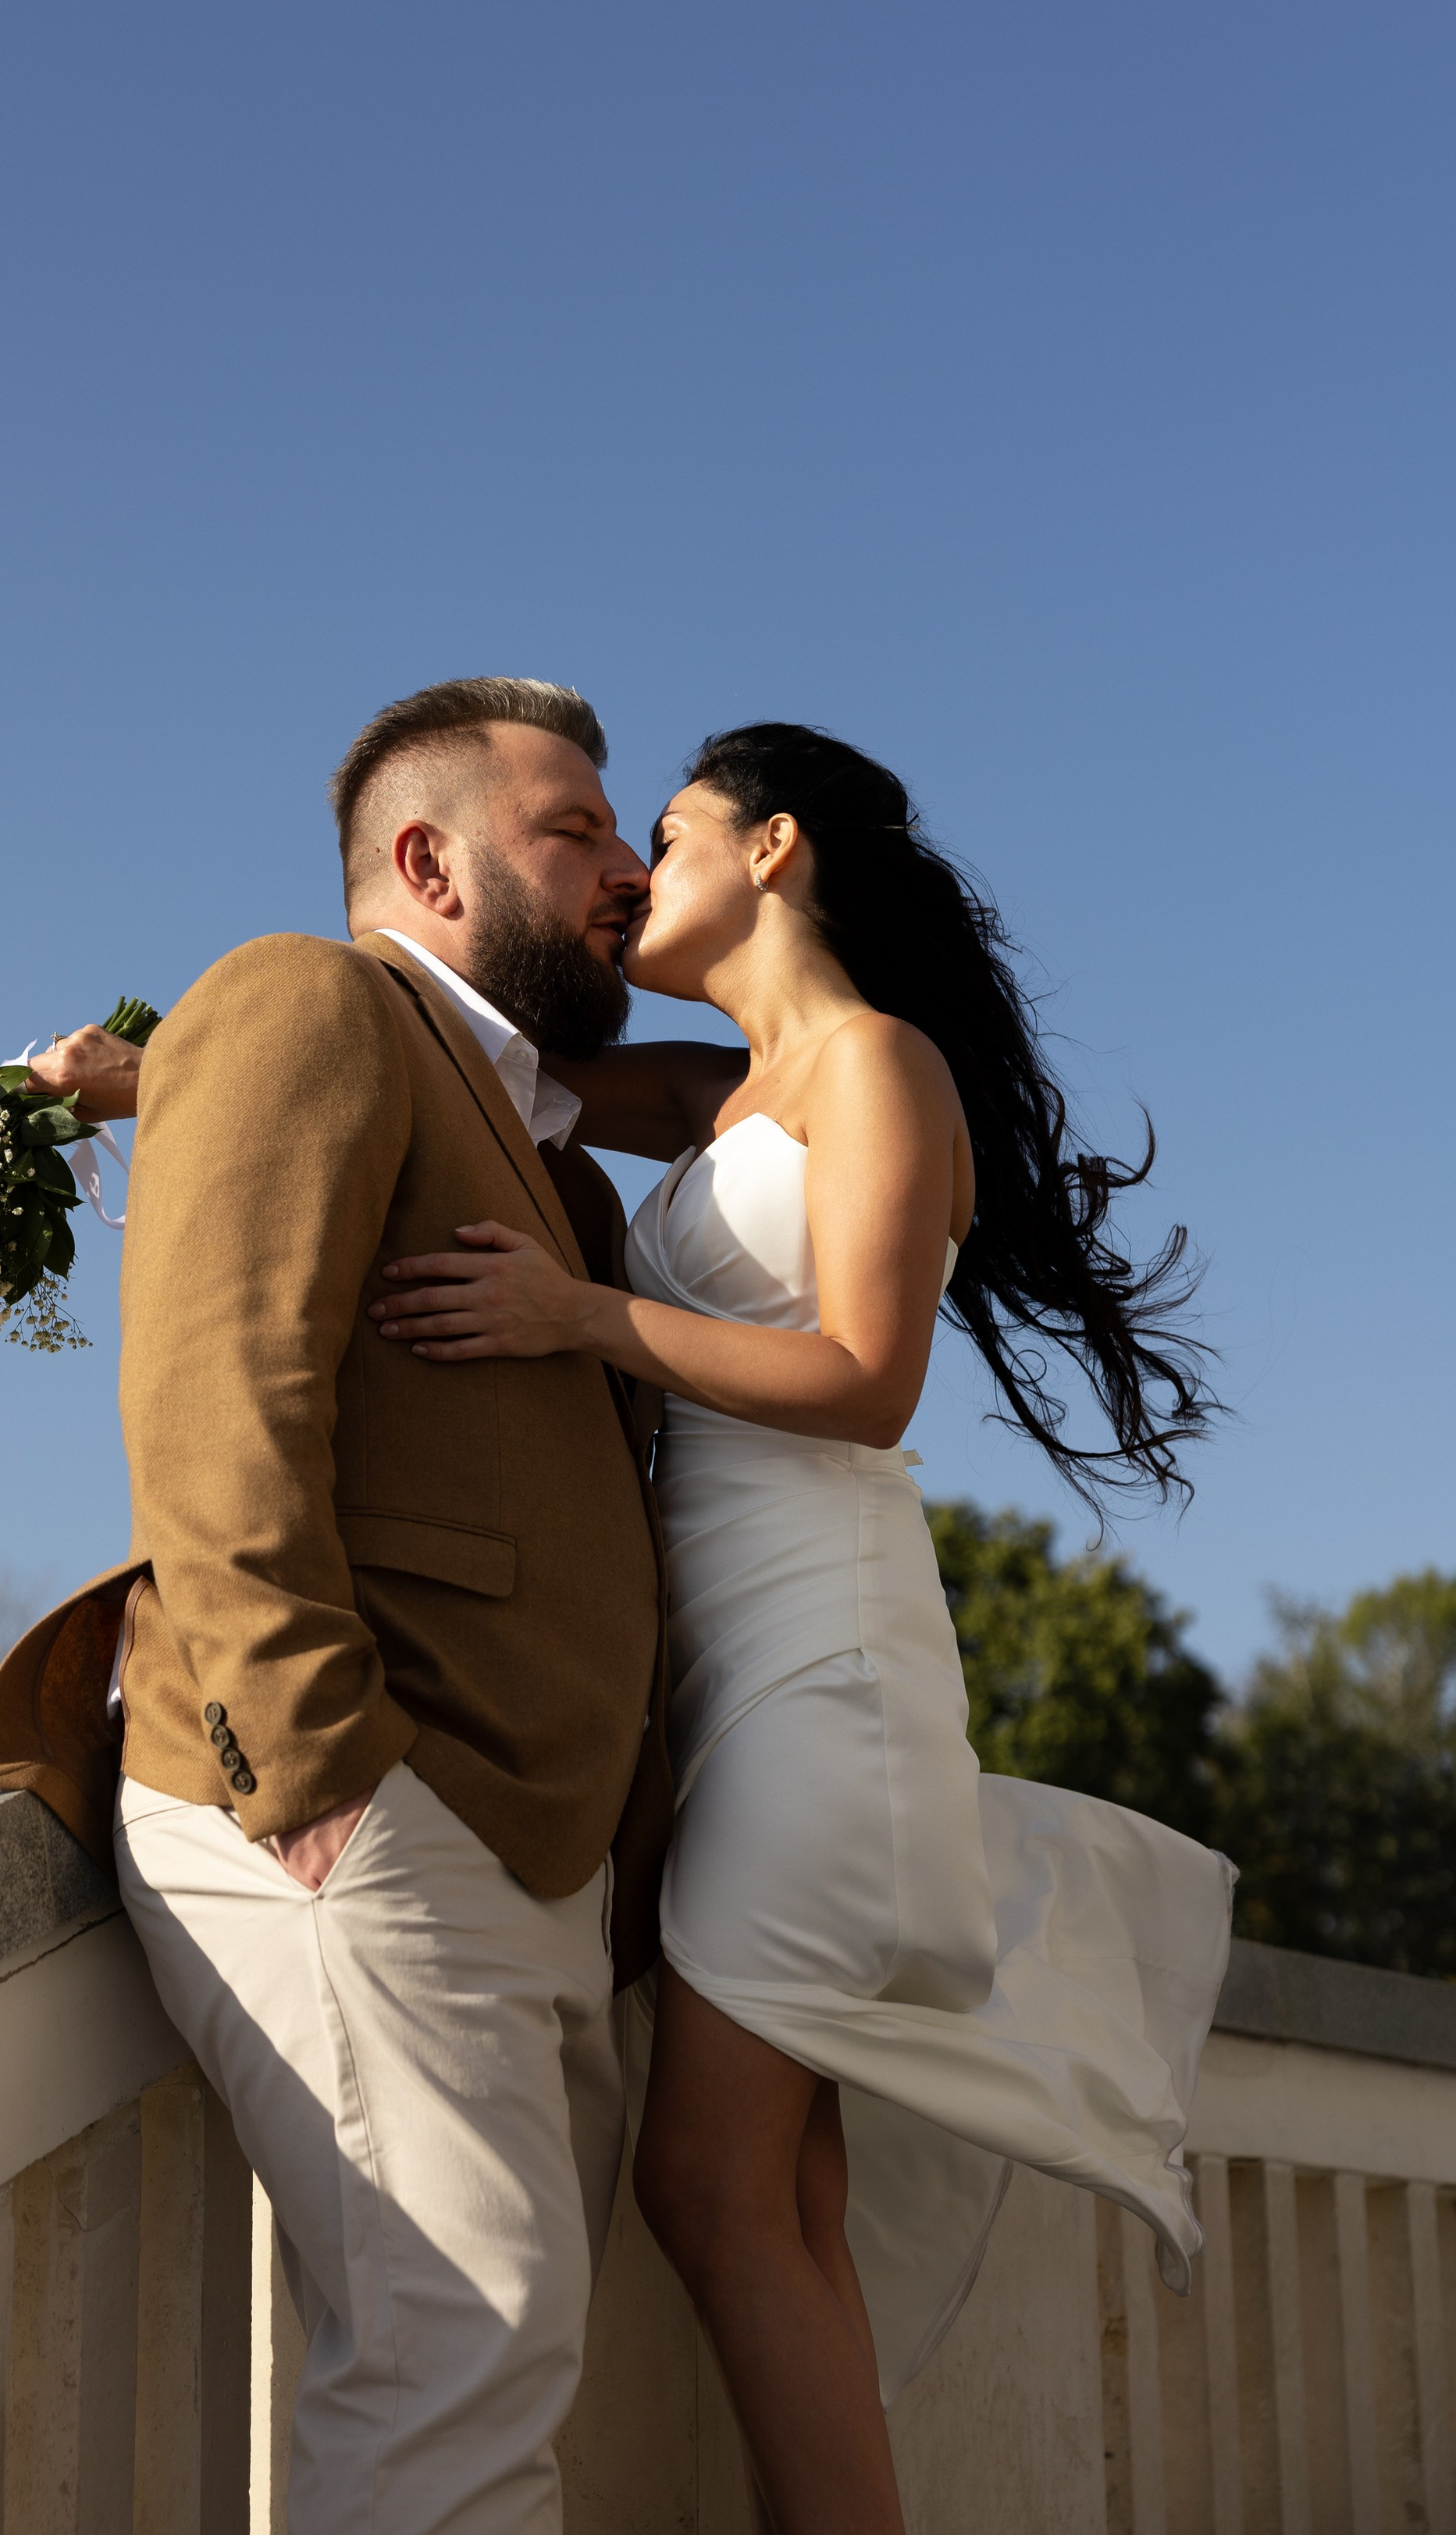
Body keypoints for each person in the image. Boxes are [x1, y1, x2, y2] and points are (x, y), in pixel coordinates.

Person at [368, 720, 1232, 2535]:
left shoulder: (878, 1071)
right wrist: (154, 1075)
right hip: (727, 1683)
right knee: (781, 2208)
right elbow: (434, 1054)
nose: (627, 879)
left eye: (660, 838)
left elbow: (861, 1379)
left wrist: (578, 1319)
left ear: (768, 853)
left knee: (705, 2188)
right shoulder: (713, 1093)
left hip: (827, 1673)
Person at [0, 676, 671, 2535]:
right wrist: (313, 1770)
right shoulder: (301, 994)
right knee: (457, 2371)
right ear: (426, 862)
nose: (622, 871)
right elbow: (214, 1388)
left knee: (479, 2378)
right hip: (366, 1805)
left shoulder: (543, 1144)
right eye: (577, 832)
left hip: (531, 1842)